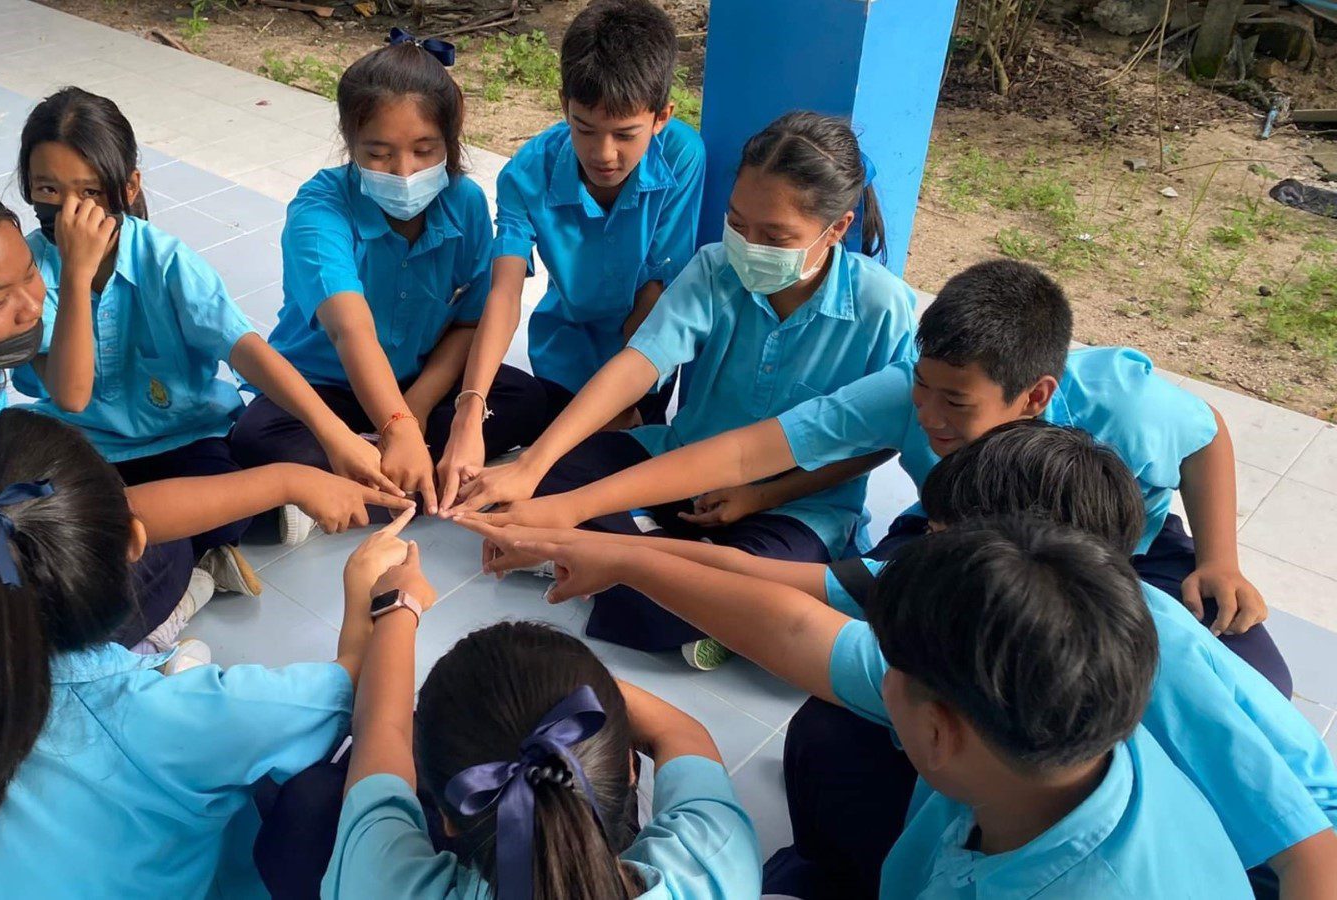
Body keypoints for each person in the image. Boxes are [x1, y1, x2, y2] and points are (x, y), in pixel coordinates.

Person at [465, 420, 1337, 898]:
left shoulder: (1153, 689)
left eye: (889, 669)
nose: (866, 669)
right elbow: (794, 626)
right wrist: (618, 556)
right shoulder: (1052, 719)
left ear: (937, 729)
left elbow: (1309, 854)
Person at [0, 172, 403, 793]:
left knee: (161, 540)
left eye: (31, 275)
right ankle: (141, 664)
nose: (32, 307)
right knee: (141, 556)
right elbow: (97, 518)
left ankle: (158, 637)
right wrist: (288, 479)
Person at [470, 259, 1291, 695]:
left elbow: (1206, 434)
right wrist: (564, 504)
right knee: (904, 657)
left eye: (956, 404)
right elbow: (749, 452)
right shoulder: (913, 392)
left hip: (1119, 560)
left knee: (1257, 673)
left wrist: (1220, 557)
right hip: (960, 551)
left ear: (1037, 396)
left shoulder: (1125, 401)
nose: (927, 415)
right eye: (923, 389)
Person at [450, 111, 914, 669]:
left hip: (798, 504)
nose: (748, 246)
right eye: (737, 223)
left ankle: (608, 559)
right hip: (679, 462)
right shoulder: (716, 269)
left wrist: (762, 496)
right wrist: (534, 465)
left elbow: (880, 440)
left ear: (836, 229)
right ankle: (659, 574)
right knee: (543, 475)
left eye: (775, 237)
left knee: (750, 588)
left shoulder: (884, 308)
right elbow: (640, 363)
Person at [0, 409, 397, 898]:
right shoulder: (180, 718)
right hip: (176, 743)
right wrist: (370, 595)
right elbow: (345, 692)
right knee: (328, 783)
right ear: (136, 542)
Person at [13, 87, 394, 576]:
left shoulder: (166, 261)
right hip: (84, 445)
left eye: (90, 193)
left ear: (128, 188)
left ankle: (196, 559)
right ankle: (196, 567)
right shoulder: (27, 272)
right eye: (48, 191)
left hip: (183, 439)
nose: (70, 214)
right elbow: (71, 395)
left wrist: (335, 435)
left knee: (197, 513)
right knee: (46, 523)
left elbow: (246, 350)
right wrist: (75, 276)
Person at [229, 36, 547, 524]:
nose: (404, 172)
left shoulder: (464, 202)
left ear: (451, 140)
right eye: (378, 154)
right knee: (254, 438)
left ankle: (358, 483)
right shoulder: (319, 210)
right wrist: (398, 428)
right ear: (350, 142)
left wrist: (413, 408)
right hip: (325, 385)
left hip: (419, 380)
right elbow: (349, 330)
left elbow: (468, 324)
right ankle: (411, 475)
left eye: (425, 150)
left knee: (525, 400)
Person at [435, 0, 707, 510]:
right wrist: (469, 413)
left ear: (661, 117)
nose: (604, 153)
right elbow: (505, 290)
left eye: (626, 134)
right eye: (584, 128)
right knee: (513, 452)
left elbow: (656, 291)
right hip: (566, 354)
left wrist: (616, 409)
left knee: (587, 477)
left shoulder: (683, 157)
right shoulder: (526, 173)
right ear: (564, 106)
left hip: (642, 357)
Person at [322, 608, 762, 899]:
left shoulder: (379, 880)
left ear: (447, 818)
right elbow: (681, 732)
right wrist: (570, 684)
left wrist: (398, 604)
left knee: (315, 798)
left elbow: (382, 727)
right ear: (630, 769)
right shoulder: (714, 870)